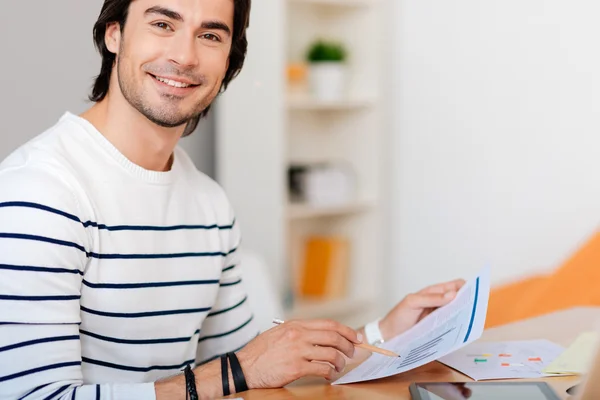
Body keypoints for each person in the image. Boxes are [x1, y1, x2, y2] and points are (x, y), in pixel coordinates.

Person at [0, 0, 465, 398]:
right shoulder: (40, 192)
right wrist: (236, 371)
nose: (184, 56)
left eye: (210, 35)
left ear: (229, 59)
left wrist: (387, 334)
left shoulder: (208, 204)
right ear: (115, 35)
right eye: (163, 24)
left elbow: (259, 364)